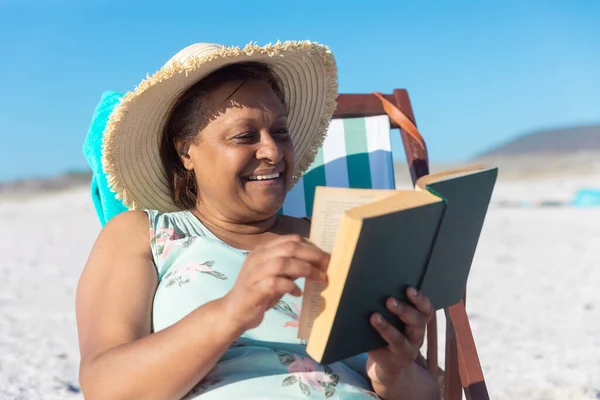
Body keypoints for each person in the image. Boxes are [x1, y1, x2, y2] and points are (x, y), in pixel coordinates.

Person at [76, 40, 440, 400]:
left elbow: (425, 393)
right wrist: (232, 311)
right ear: (186, 150)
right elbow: (106, 388)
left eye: (280, 131)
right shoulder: (143, 235)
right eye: (244, 136)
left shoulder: (338, 237)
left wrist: (394, 372)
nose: (272, 151)